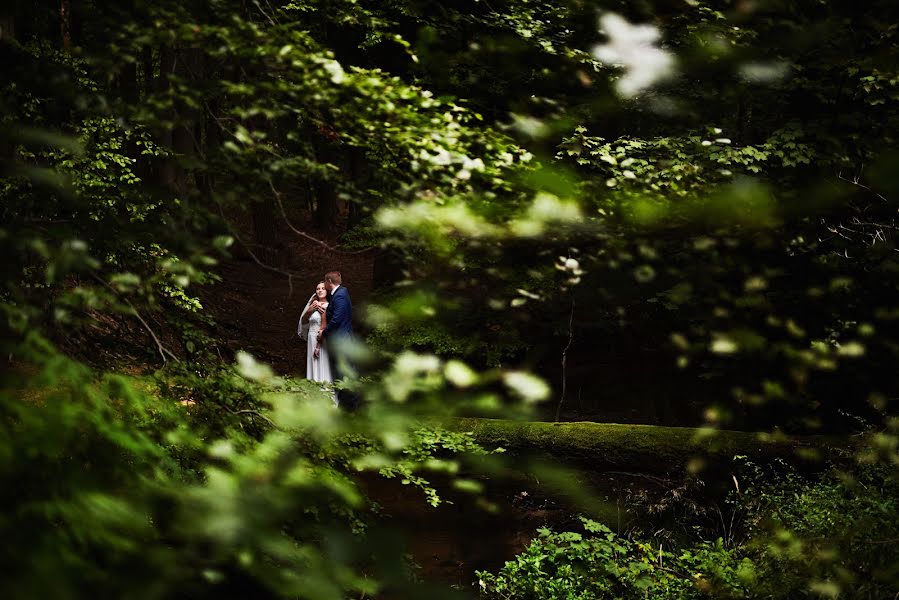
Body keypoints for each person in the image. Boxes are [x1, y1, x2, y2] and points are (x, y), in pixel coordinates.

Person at [318, 270, 359, 409]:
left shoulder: (340, 295)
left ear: (329, 282)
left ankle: (350, 405)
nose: (324, 284)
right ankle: (346, 403)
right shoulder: (340, 293)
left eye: (325, 282)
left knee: (344, 371)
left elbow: (336, 320)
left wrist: (324, 333)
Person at [297, 281, 333, 385]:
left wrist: (318, 345)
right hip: (311, 338)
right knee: (312, 363)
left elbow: (324, 326)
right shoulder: (313, 305)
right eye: (318, 289)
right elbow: (303, 321)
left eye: (323, 288)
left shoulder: (328, 306)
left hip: (321, 339)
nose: (320, 290)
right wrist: (310, 310)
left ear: (327, 291)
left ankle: (325, 392)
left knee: (322, 363)